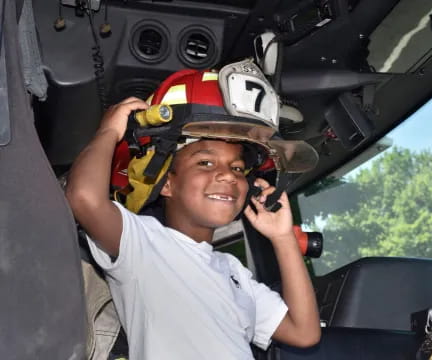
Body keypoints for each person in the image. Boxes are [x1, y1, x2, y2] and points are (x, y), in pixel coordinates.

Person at [66, 59, 321, 359]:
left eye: (238, 168)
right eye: (205, 162)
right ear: (166, 184)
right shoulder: (143, 243)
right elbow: (84, 197)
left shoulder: (233, 272)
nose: (229, 175)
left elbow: (304, 332)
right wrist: (109, 131)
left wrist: (282, 238)